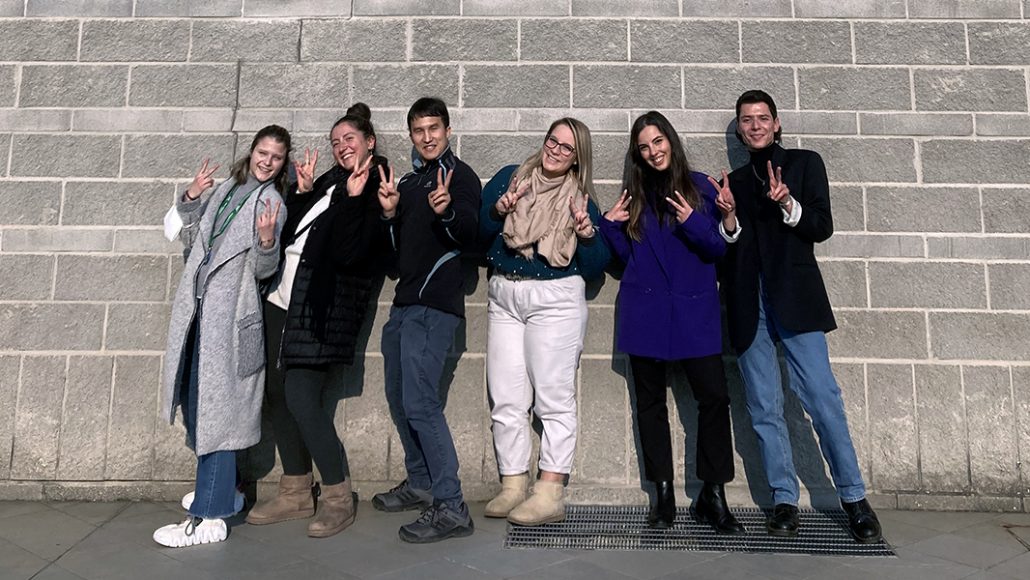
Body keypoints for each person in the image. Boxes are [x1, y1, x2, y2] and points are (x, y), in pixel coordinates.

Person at [712, 89, 881, 543]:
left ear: (777, 123)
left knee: (823, 399)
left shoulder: (806, 164)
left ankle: (854, 499)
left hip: (796, 299)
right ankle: (783, 499)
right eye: (746, 119)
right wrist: (728, 220)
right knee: (764, 407)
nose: (755, 126)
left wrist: (788, 204)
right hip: (749, 304)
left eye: (762, 118)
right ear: (739, 129)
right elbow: (727, 253)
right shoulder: (733, 183)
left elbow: (822, 227)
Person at [243, 104, 387, 538]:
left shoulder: (376, 185)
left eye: (350, 139)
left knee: (302, 397)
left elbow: (351, 253)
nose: (342, 147)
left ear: (369, 142)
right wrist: (303, 194)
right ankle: (295, 490)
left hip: (321, 307)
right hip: (282, 299)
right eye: (335, 141)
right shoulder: (329, 181)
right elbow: (292, 236)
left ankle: (338, 497)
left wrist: (356, 201)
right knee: (276, 393)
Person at [598, 111, 743, 533]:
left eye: (658, 141)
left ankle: (713, 494)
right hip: (645, 313)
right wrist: (610, 228)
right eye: (644, 147)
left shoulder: (700, 187)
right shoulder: (635, 195)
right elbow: (628, 260)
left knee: (714, 398)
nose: (653, 151)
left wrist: (695, 221)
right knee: (649, 405)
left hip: (694, 313)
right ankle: (662, 495)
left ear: (671, 141)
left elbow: (718, 249)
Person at [155, 125, 290, 548]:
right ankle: (223, 492)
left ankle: (209, 517)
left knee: (220, 417)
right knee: (198, 406)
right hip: (200, 313)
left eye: (276, 157)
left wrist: (266, 242)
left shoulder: (271, 202)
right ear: (252, 151)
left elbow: (263, 272)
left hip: (230, 322)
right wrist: (191, 197)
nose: (267, 162)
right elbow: (193, 241)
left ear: (282, 164)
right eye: (263, 152)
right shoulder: (228, 187)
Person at [478, 118, 609, 526]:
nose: (555, 150)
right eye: (553, 141)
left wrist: (587, 234)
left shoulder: (580, 200)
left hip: (555, 300)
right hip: (505, 295)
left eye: (567, 148)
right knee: (506, 397)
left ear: (577, 158)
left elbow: (596, 267)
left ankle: (550, 492)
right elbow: (477, 234)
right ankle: (513, 483)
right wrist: (498, 211)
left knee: (553, 399)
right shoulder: (511, 178)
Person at [373, 97, 482, 543]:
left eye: (434, 128)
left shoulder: (460, 176)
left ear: (448, 130)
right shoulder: (409, 182)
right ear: (411, 135)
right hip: (404, 306)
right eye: (419, 130)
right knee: (401, 400)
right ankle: (420, 483)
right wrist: (389, 214)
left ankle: (451, 506)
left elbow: (471, 234)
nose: (427, 137)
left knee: (421, 404)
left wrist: (447, 211)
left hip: (435, 308)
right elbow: (394, 258)